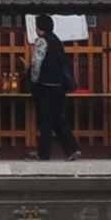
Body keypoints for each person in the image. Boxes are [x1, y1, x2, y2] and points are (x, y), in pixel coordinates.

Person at [29, 20, 77, 163]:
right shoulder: (57, 41)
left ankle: (44, 154)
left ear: (40, 28)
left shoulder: (42, 41)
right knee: (58, 118)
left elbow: (36, 63)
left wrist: (33, 80)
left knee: (45, 121)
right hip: (59, 86)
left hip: (45, 86)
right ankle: (72, 149)